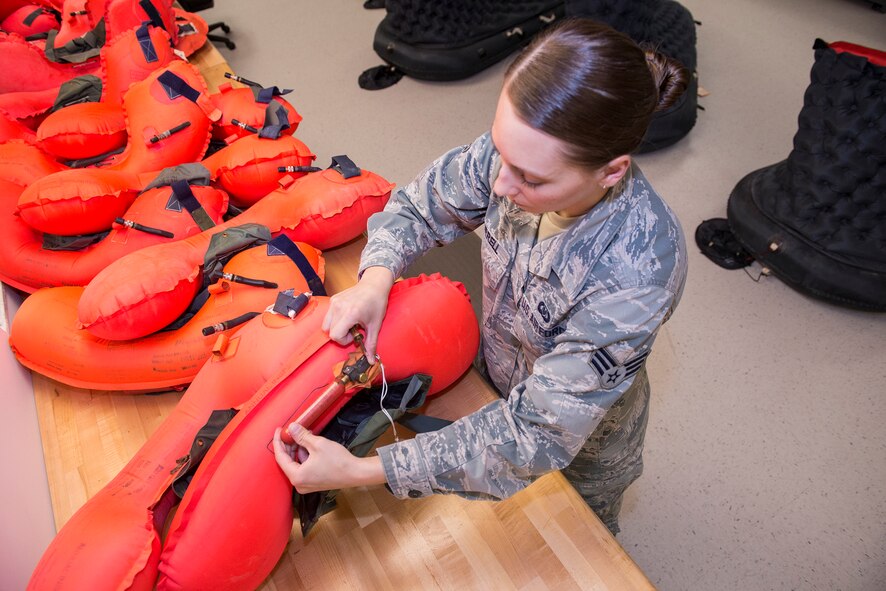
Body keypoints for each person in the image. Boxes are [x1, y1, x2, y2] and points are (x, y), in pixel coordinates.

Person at [273, 17, 689, 535]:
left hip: (580, 443)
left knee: (572, 546)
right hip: (493, 374)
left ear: (610, 171)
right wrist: (375, 277)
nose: (499, 182)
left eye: (531, 178)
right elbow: (419, 208)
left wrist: (365, 471)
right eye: (500, 151)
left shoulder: (638, 267)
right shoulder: (517, 153)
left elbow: (539, 432)